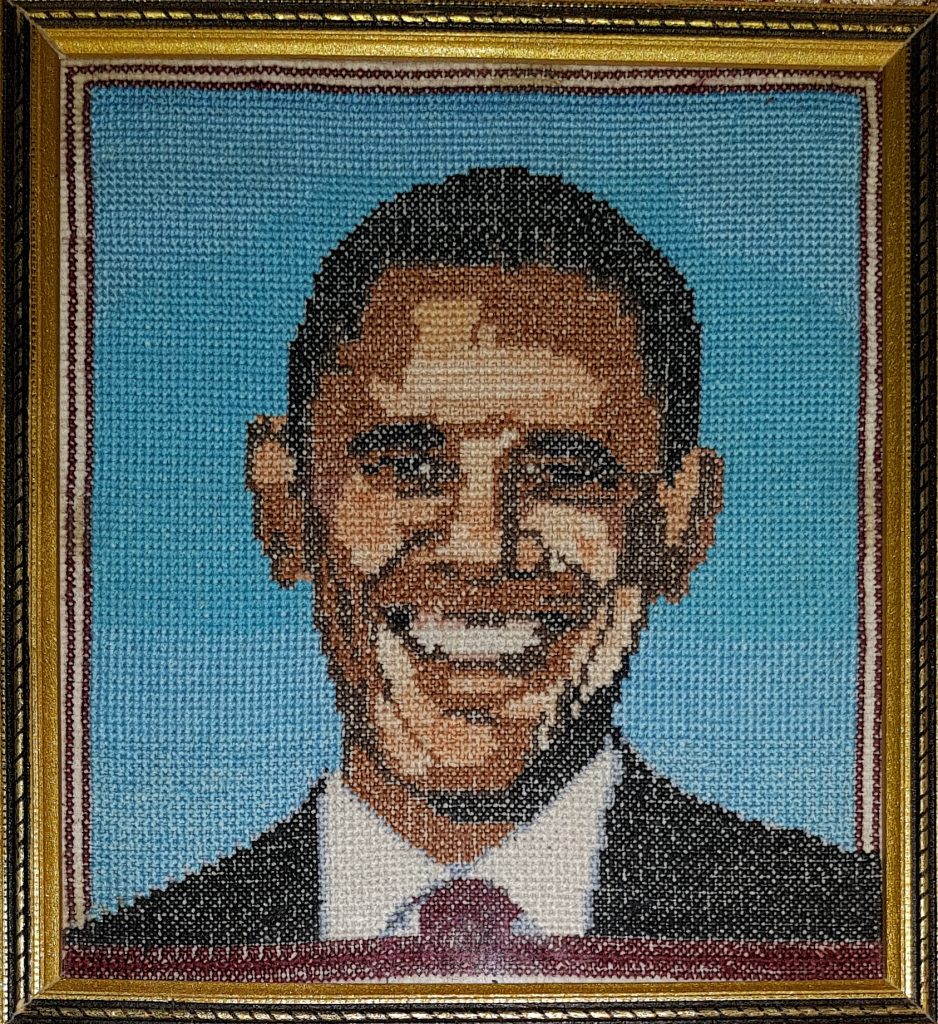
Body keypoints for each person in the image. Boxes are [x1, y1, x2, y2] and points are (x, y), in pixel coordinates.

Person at [70, 167, 880, 953]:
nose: (481, 548)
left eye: (567, 474)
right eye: (407, 466)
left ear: (680, 524)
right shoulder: (127, 968)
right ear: (285, 505)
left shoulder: (845, 938)